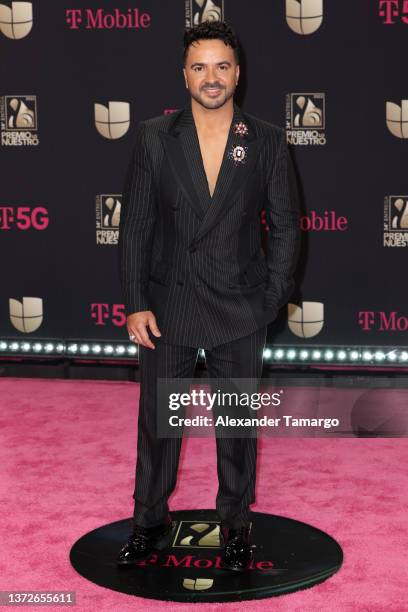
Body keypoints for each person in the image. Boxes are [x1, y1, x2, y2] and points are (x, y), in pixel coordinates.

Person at [116, 19, 301, 571]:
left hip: (240, 306)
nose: (211, 77)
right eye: (200, 67)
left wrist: (271, 299)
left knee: (238, 426)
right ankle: (148, 522)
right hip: (168, 306)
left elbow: (287, 226)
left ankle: (236, 527)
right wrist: (135, 301)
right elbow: (137, 227)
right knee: (159, 424)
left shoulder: (266, 139)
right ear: (185, 76)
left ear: (238, 74)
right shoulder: (154, 136)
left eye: (222, 66)